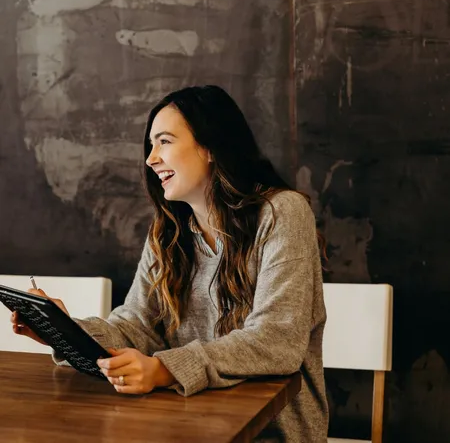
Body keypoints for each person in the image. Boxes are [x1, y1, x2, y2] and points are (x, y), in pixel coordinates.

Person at [11, 85, 328, 443]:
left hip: (270, 432)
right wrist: (65, 332)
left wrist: (164, 370)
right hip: (184, 424)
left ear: (210, 146)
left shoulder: (282, 213)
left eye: (164, 141)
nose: (150, 159)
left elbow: (276, 341)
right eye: (150, 145)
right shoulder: (168, 232)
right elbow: (136, 327)